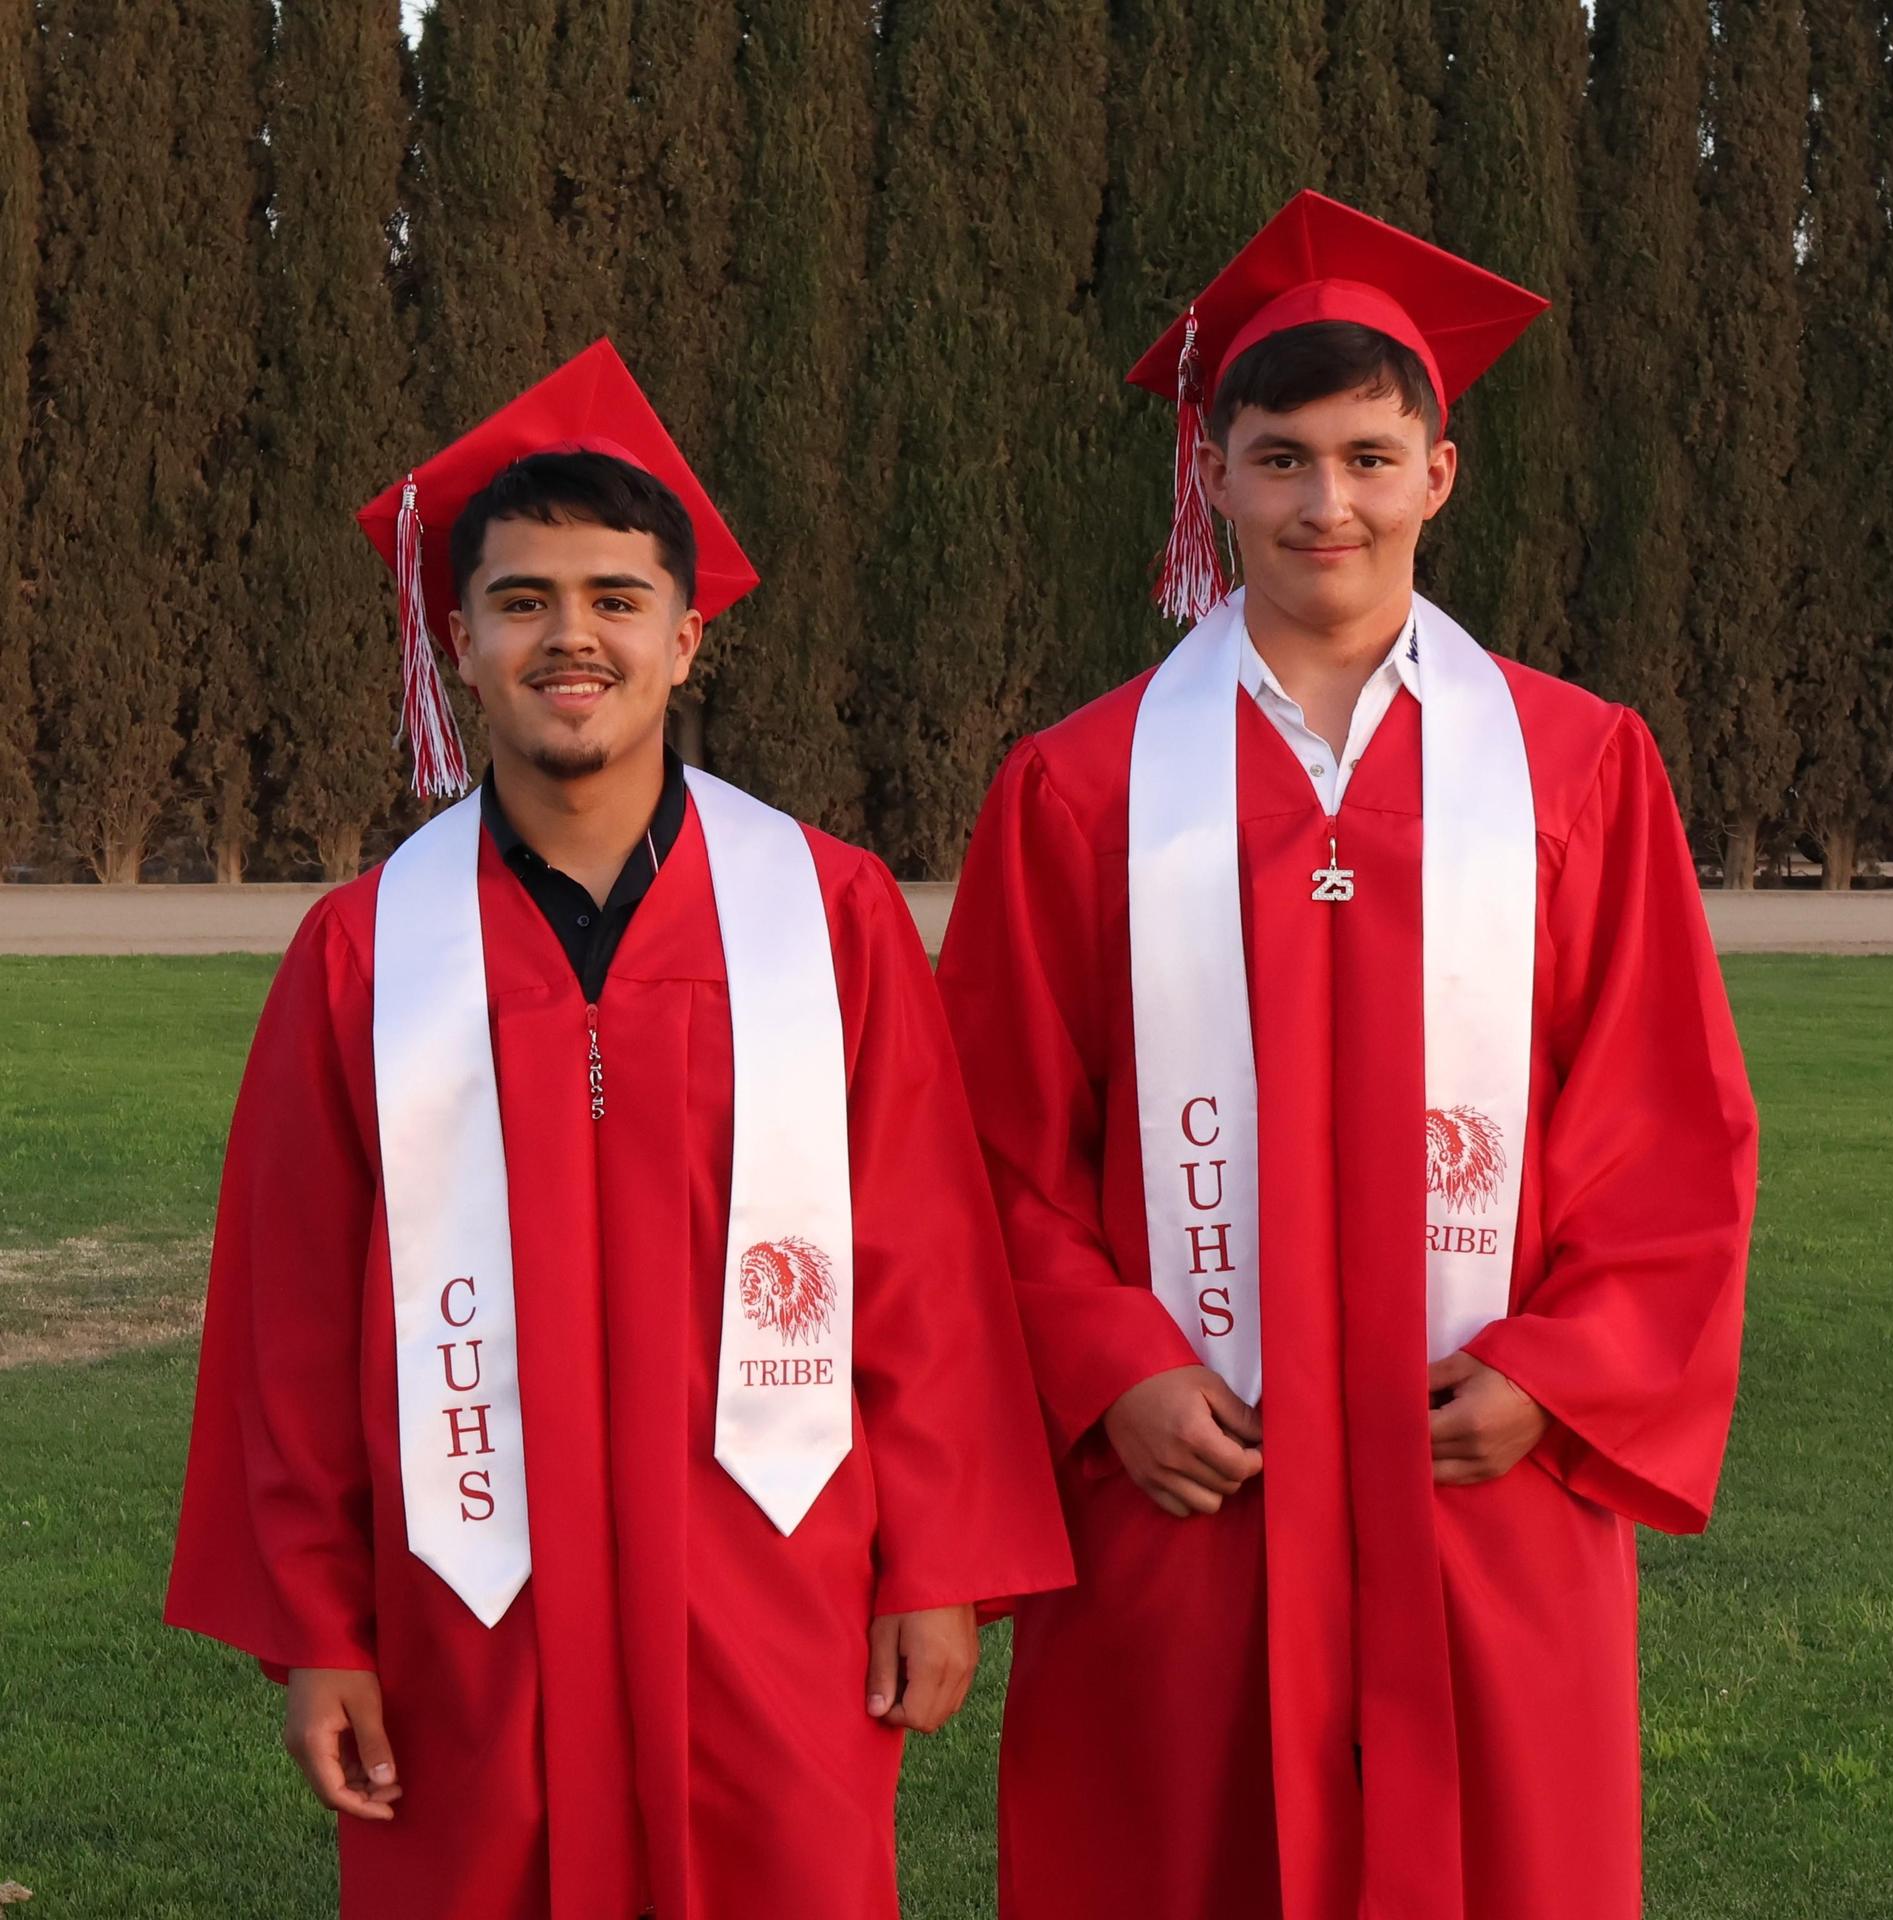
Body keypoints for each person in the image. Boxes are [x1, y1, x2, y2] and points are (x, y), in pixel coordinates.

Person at [166, 338, 1071, 1920]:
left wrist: (936, 1565)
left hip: (775, 1581)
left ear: (687, 634)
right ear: (456, 639)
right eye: (521, 602)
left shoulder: (829, 911)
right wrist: (318, 1626)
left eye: (612, 598)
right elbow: (290, 1323)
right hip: (470, 1606)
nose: (568, 637)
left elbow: (922, 1258)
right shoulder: (369, 953)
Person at [936, 192, 1759, 1920]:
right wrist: (1110, 1370)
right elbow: (985, 1152)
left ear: (1438, 476)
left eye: (1373, 457)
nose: (1330, 501)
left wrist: (1559, 1369)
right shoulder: (1079, 789)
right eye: (1283, 456)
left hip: (1484, 1480)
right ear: (1212, 477)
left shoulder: (1579, 768)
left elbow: (1666, 1130)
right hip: (1187, 1484)